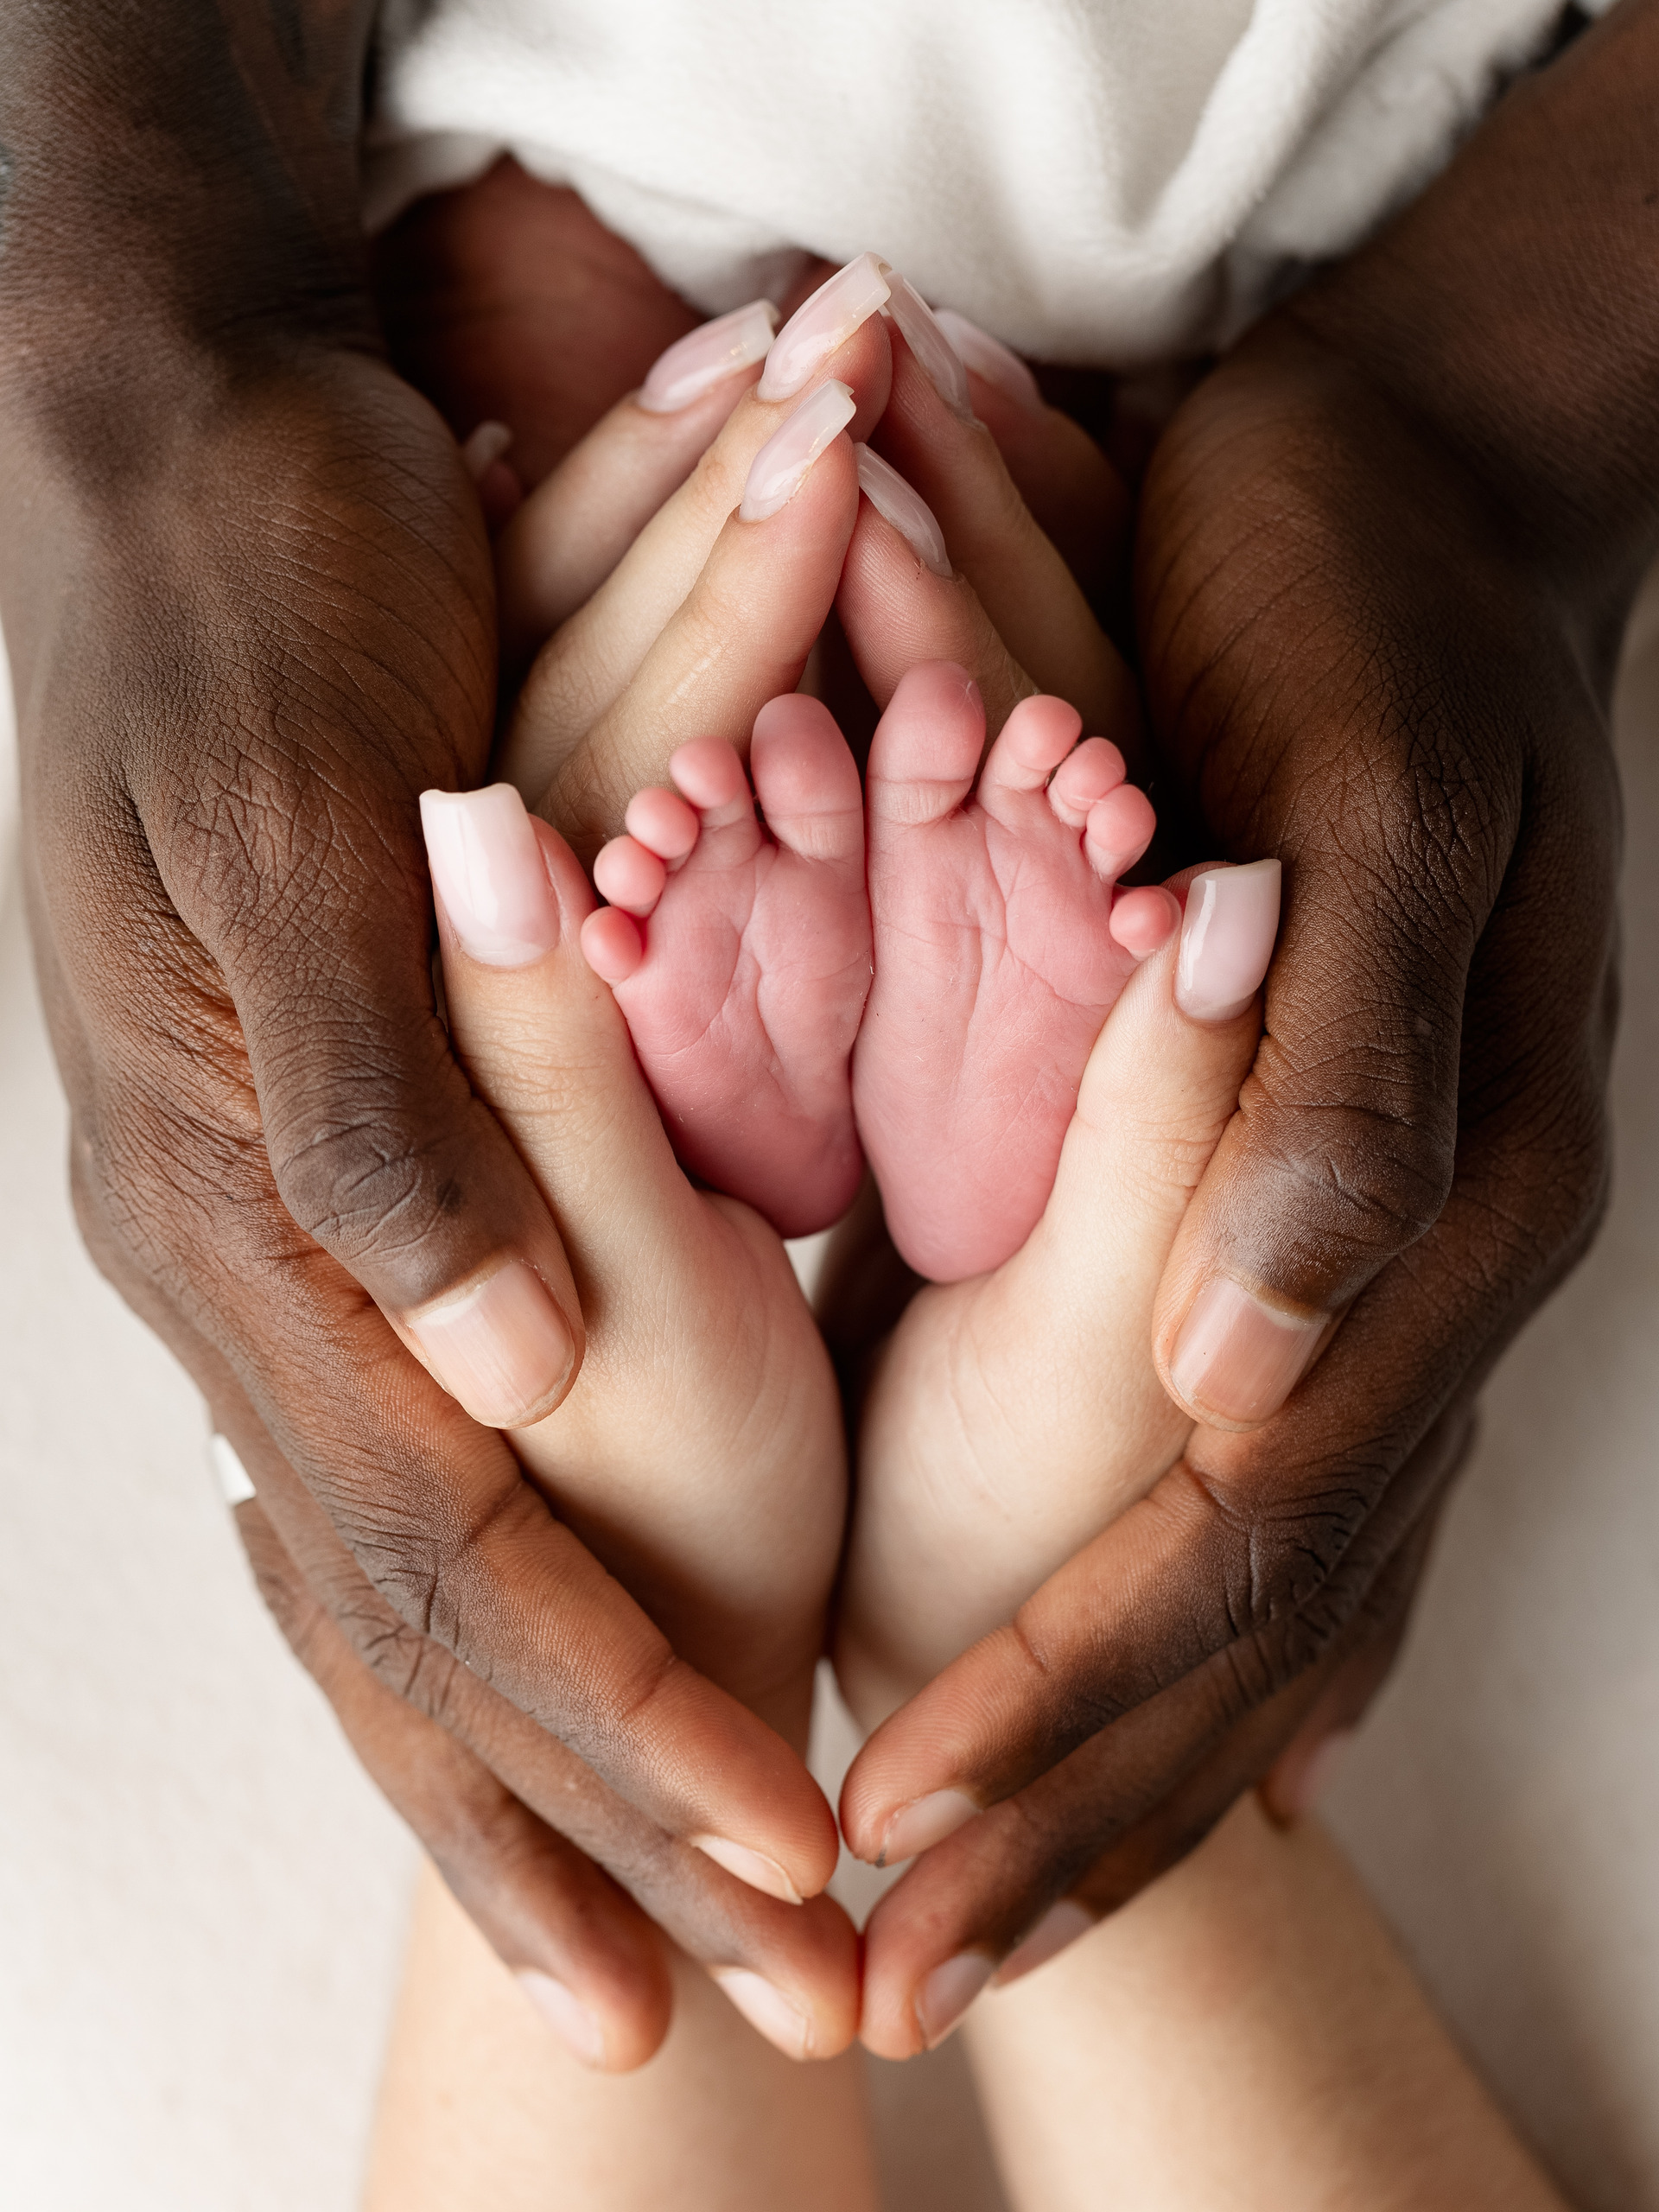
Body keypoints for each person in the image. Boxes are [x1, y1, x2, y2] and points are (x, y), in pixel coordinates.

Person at [1, 3, 1654, 2195]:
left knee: (547, 467)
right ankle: (985, 1226)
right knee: (1074, 665)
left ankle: (665, 1173)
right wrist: (1485, 416)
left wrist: (152, 305)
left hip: (530, 196)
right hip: (1278, 280)